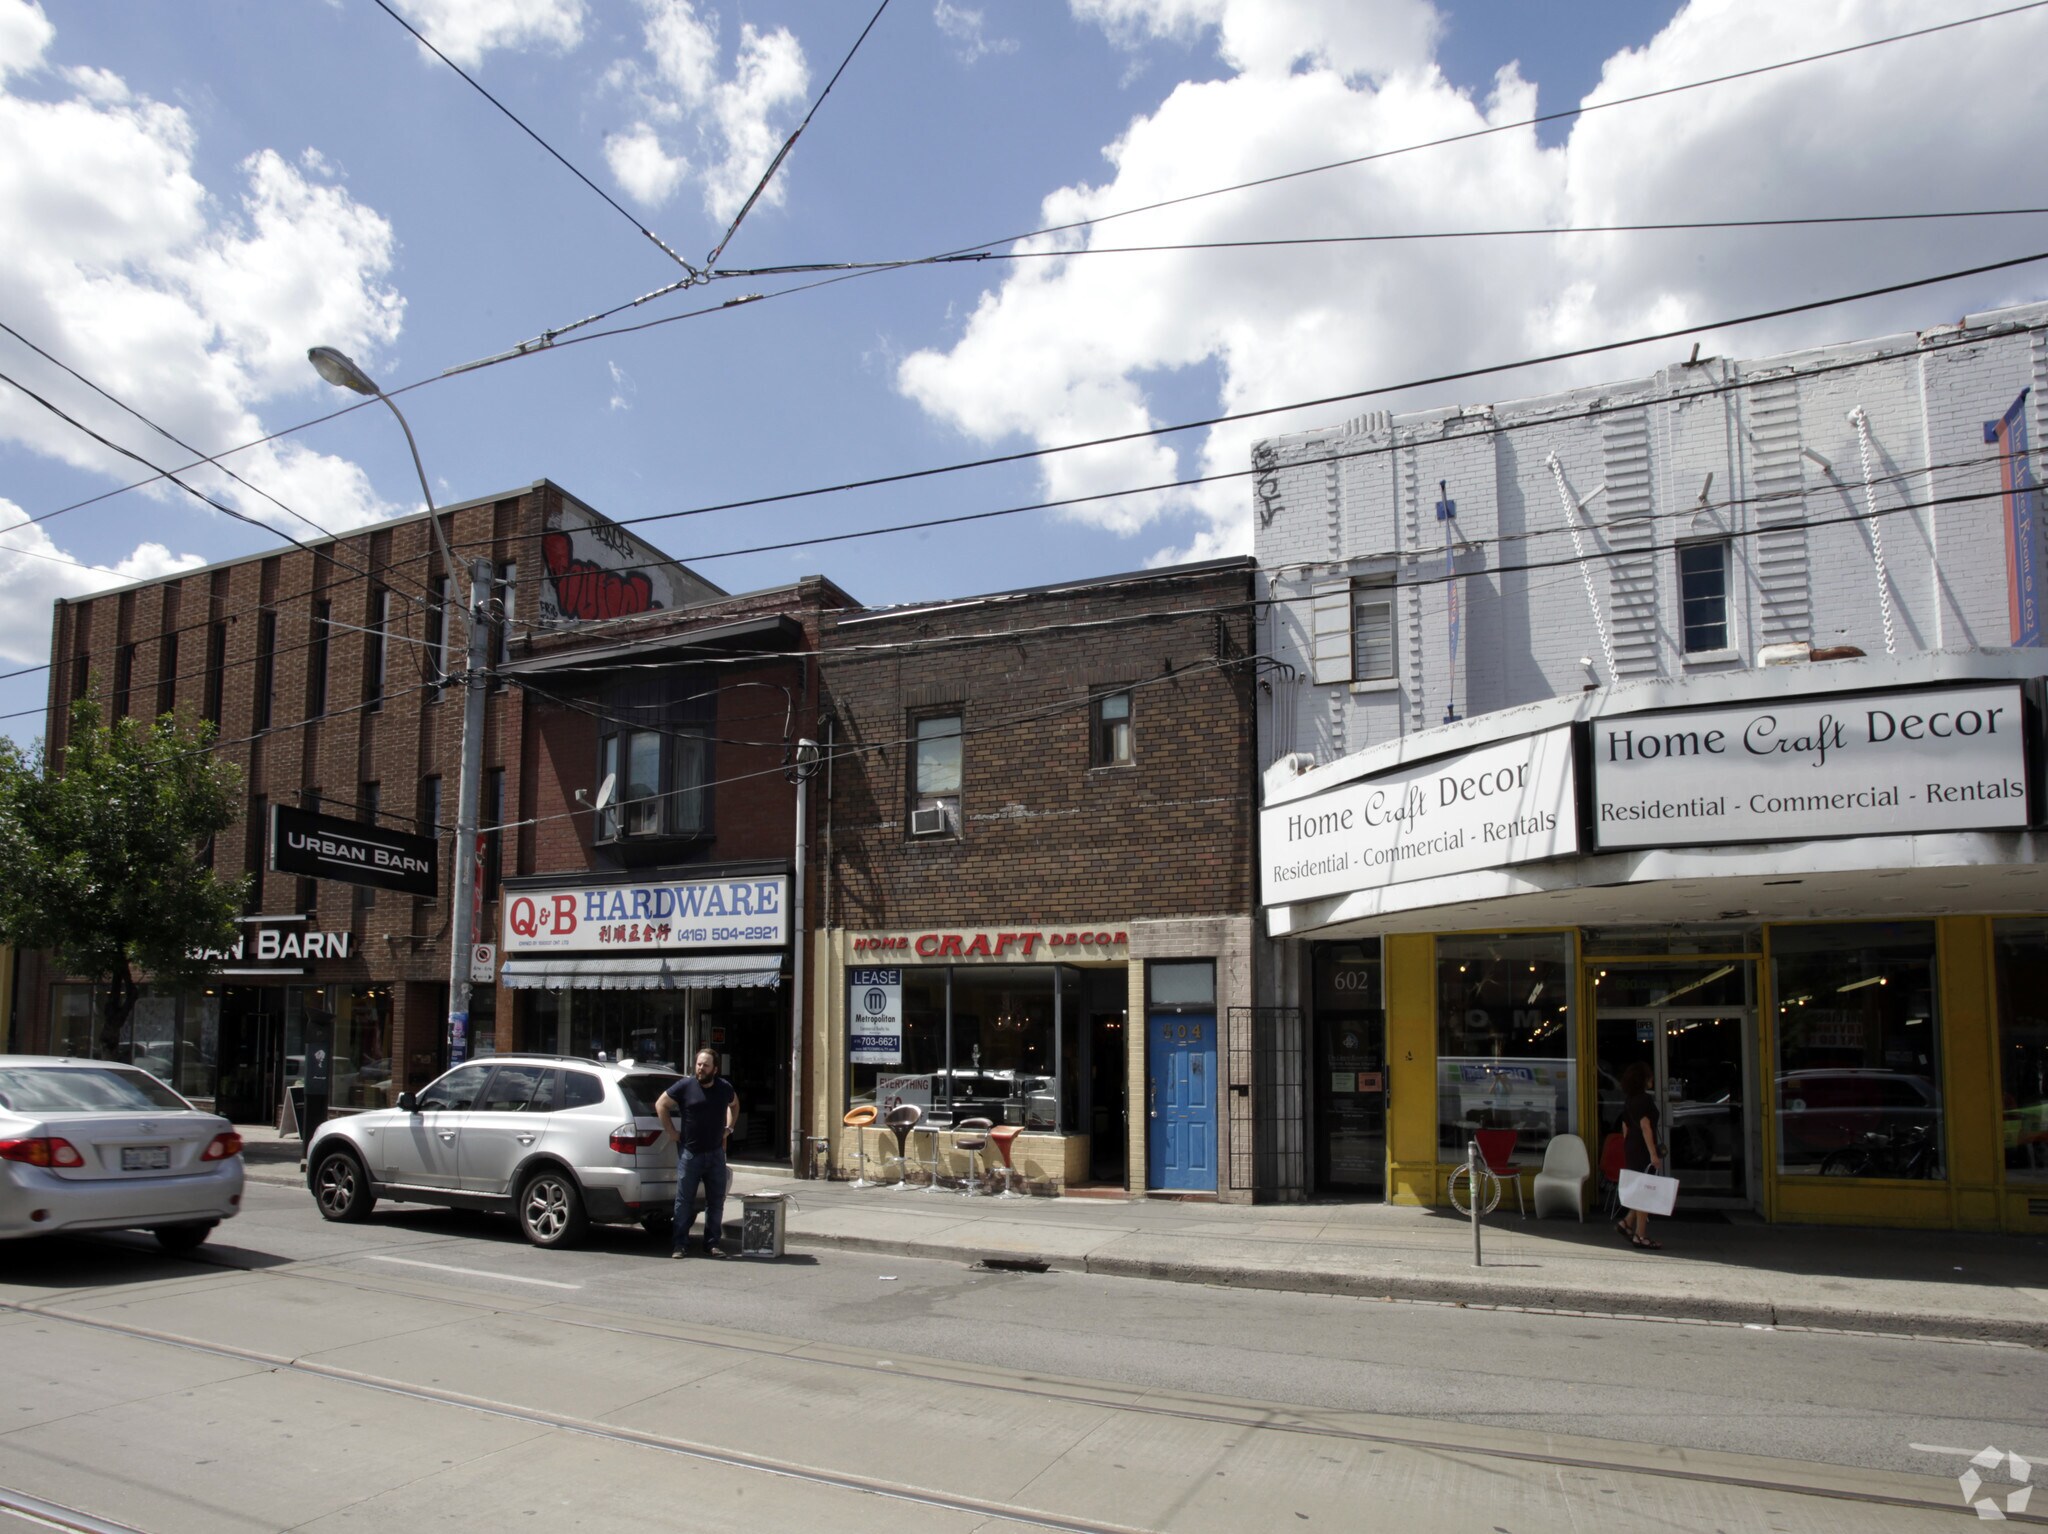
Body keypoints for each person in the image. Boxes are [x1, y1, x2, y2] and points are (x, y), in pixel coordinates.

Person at [658, 1047, 738, 1258]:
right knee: (684, 1202)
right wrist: (671, 1132)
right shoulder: (685, 1086)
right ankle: (680, 1245)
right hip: (690, 1153)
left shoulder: (724, 1088)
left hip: (715, 1153)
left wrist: (728, 1129)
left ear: (715, 1069)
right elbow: (661, 1104)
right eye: (699, 1064)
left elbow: (734, 1104)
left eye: (706, 1065)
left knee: (716, 1201)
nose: (701, 1069)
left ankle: (712, 1244)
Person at [1616, 1060, 1664, 1250]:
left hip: (1631, 1146)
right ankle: (1640, 1235)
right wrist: (1653, 1153)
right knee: (1644, 1192)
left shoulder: (1629, 1100)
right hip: (1642, 1148)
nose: (1651, 1078)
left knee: (1640, 1189)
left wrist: (1628, 1145)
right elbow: (1646, 1127)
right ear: (1643, 1080)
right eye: (1649, 1076)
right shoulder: (1644, 1100)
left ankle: (1627, 1222)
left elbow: (1625, 1126)